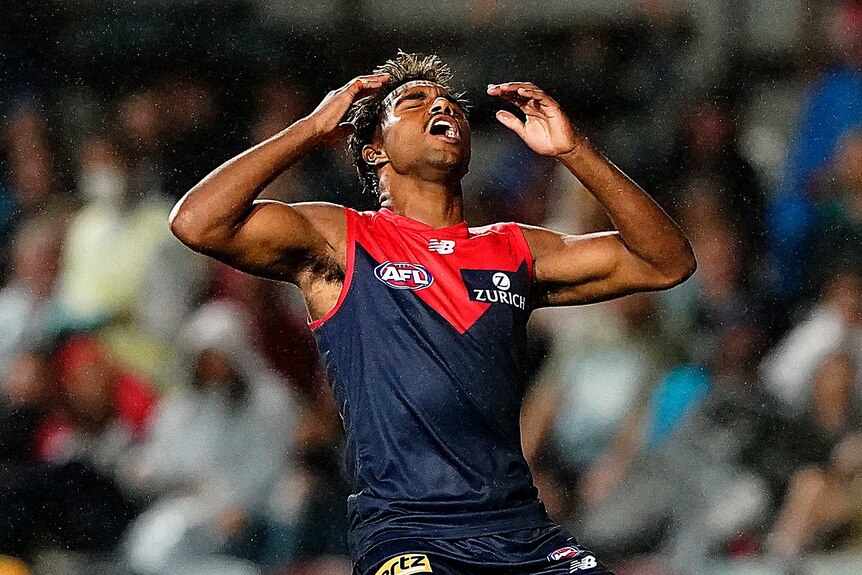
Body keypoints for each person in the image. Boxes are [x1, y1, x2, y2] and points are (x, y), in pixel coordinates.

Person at [169, 52, 696, 575]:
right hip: (410, 535)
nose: (440, 104)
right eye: (413, 101)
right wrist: (307, 131)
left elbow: (667, 262)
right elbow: (197, 222)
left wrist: (574, 152)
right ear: (376, 151)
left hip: (522, 533)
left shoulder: (515, 249)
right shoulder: (343, 240)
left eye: (448, 102)